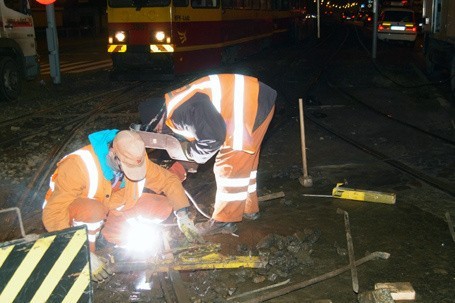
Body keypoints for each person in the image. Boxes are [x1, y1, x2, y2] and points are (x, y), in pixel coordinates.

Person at [42, 129, 201, 282]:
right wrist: (82, 254)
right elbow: (53, 213)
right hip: (74, 215)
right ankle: (87, 255)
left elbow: (169, 181)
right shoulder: (78, 164)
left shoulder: (135, 157)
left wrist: (182, 215)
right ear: (112, 155)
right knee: (93, 211)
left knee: (162, 206)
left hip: (111, 209)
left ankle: (113, 239)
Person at [136, 74, 277, 236]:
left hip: (248, 106)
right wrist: (182, 165)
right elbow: (197, 135)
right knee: (245, 162)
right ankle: (249, 208)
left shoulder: (181, 113)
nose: (158, 132)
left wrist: (192, 154)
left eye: (156, 129)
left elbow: (211, 139)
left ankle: (224, 220)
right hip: (257, 99)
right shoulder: (175, 105)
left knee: (227, 166)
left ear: (158, 119)